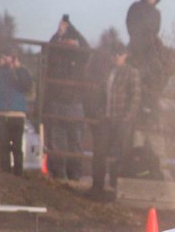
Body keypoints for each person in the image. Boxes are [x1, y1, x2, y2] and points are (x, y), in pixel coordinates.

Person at [90, 44, 140, 197]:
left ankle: (118, 188)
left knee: (121, 155)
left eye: (120, 54)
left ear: (125, 55)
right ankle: (97, 187)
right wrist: (99, 112)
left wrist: (127, 118)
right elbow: (100, 93)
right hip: (107, 118)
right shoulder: (108, 73)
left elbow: (135, 98)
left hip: (122, 121)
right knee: (99, 152)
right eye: (115, 54)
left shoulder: (132, 72)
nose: (117, 57)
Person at [45, 14, 90, 183]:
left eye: (71, 40)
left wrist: (72, 29)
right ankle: (59, 173)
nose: (68, 42)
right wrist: (58, 33)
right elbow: (47, 49)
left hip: (74, 102)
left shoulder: (79, 57)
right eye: (66, 39)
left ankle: (75, 174)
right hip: (57, 102)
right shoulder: (56, 52)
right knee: (57, 140)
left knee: (75, 140)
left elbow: (87, 48)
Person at [0, 48, 33, 176]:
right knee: (2, 145)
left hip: (17, 114)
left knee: (16, 146)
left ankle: (18, 173)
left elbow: (26, 86)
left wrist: (17, 69)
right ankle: (5, 172)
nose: (9, 61)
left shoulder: (23, 72)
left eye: (12, 58)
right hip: (0, 112)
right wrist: (0, 66)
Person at [126, 0, 164, 111]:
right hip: (136, 45)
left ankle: (152, 101)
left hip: (150, 47)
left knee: (159, 69)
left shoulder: (157, 13)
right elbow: (130, 24)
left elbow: (156, 30)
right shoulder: (135, 7)